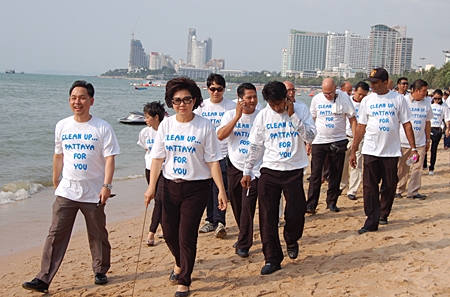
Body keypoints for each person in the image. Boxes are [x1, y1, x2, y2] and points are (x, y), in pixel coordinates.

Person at [22, 81, 120, 293]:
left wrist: (107, 186)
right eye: (74, 98)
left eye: (82, 97)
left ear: (91, 101)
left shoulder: (102, 127)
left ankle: (100, 270)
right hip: (66, 191)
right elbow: (59, 155)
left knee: (97, 233)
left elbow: (110, 159)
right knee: (55, 233)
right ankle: (43, 278)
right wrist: (55, 177)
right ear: (69, 101)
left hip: (94, 192)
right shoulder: (62, 125)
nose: (78, 102)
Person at [144, 77, 227, 297]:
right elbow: (157, 159)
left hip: (197, 188)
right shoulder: (166, 125)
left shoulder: (205, 126)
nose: (182, 104)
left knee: (187, 235)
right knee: (169, 232)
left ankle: (184, 280)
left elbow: (212, 161)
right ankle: (180, 262)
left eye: (187, 100)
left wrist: (221, 190)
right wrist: (151, 187)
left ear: (195, 100)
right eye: (177, 100)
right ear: (170, 103)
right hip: (169, 186)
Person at [241, 81, 316, 275]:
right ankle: (272, 258)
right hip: (269, 170)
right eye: (272, 104)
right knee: (267, 217)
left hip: (294, 170)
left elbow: (310, 136)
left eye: (279, 103)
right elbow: (256, 145)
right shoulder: (263, 116)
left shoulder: (300, 110)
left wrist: (292, 116)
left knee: (295, 213)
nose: (276, 108)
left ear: (287, 97)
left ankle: (291, 239)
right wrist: (247, 170)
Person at [349, 68, 417, 234]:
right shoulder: (367, 101)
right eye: (371, 82)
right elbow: (361, 126)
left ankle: (383, 213)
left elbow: (407, 124)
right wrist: (354, 149)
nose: (372, 86)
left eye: (375, 83)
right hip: (371, 150)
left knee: (389, 185)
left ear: (385, 83)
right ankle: (371, 221)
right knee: (369, 187)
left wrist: (414, 147)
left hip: (391, 151)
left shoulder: (398, 99)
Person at [217, 83, 261, 258]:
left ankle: (244, 244)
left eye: (254, 97)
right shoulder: (229, 115)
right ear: (240, 98)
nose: (252, 101)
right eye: (248, 97)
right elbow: (220, 135)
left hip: (256, 168)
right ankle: (244, 233)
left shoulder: (261, 116)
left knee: (248, 205)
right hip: (234, 165)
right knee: (236, 205)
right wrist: (236, 116)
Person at [306, 78, 356, 214]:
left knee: (335, 173)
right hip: (319, 141)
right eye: (325, 93)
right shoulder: (316, 99)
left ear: (336, 89)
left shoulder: (344, 97)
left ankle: (332, 201)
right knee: (316, 174)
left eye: (330, 93)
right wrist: (308, 142)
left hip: (338, 140)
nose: (328, 96)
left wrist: (355, 141)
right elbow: (312, 120)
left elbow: (352, 119)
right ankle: (311, 204)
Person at [195, 73, 235, 238]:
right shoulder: (201, 107)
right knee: (207, 189)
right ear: (207, 89)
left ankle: (220, 222)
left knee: (220, 188)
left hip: (224, 153)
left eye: (219, 89)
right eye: (213, 89)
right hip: (204, 155)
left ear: (224, 89)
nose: (216, 92)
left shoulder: (231, 106)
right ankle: (209, 220)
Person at [396, 80, 433, 200]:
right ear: (416, 90)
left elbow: (427, 122)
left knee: (418, 167)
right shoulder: (404, 100)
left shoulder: (427, 102)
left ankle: (413, 191)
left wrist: (428, 140)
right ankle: (399, 189)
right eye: (423, 91)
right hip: (404, 141)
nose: (425, 93)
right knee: (402, 167)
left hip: (420, 142)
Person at [137, 101, 166, 246]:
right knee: (157, 199)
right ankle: (164, 227)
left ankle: (151, 232)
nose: (145, 120)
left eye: (147, 117)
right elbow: (146, 150)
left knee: (160, 200)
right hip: (149, 169)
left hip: (164, 171)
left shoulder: (166, 130)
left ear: (156, 117)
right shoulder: (144, 132)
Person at [340, 81, 370, 200]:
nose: (361, 97)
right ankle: (342, 184)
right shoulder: (348, 102)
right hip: (345, 136)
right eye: (360, 94)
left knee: (356, 163)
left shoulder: (367, 105)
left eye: (364, 95)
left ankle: (352, 190)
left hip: (360, 137)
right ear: (355, 91)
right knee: (343, 163)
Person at [423, 90, 450, 175]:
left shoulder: (444, 106)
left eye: (439, 99)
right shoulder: (429, 104)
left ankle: (431, 167)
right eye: (435, 98)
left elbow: (447, 119)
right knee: (424, 147)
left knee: (433, 149)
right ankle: (424, 165)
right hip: (428, 127)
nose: (437, 100)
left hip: (437, 128)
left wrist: (448, 129)